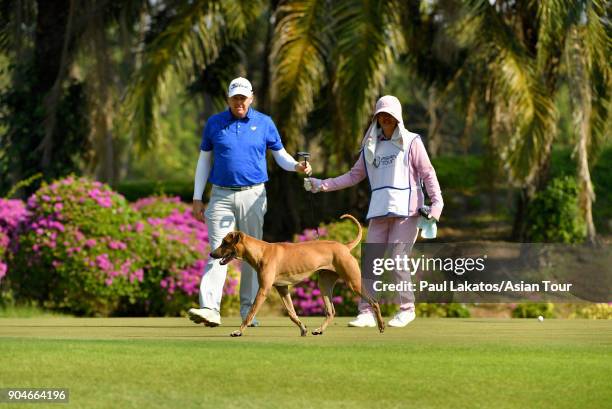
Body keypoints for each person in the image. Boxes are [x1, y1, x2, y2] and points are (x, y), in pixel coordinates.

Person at [304, 95, 443, 328]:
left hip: (407, 210)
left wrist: (436, 206)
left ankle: (407, 309)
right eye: (382, 115)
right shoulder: (371, 145)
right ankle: (367, 311)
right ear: (376, 118)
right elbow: (353, 175)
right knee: (371, 262)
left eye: (390, 115)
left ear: (398, 117)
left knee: (399, 259)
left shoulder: (412, 141)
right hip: (379, 209)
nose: (386, 119)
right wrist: (321, 184)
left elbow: (428, 174)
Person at [188, 77, 311, 327]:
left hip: (253, 195)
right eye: (235, 98)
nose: (239, 102)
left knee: (255, 258)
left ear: (251, 98)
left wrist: (296, 166)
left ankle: (248, 311)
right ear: (228, 99)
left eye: (243, 98)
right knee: (217, 249)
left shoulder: (264, 123)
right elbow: (204, 161)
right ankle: (210, 308)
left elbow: (281, 156)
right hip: (221, 195)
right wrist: (197, 197)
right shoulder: (215, 123)